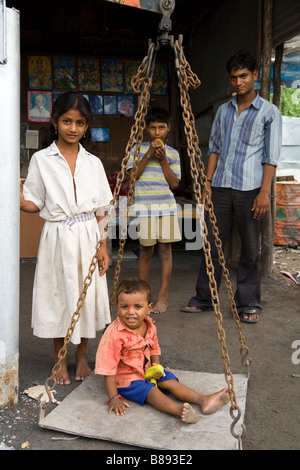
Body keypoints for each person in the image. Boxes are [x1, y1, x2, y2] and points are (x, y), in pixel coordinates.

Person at [182, 50, 282, 323]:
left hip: (251, 190)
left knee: (250, 248)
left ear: (255, 76)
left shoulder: (269, 112)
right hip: (221, 188)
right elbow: (213, 149)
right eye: (234, 77)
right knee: (211, 245)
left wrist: (264, 192)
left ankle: (248, 303)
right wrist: (207, 182)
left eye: (244, 76)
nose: (239, 82)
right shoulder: (224, 111)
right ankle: (205, 297)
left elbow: (270, 157)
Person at [20, 92, 113, 385]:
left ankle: (83, 356)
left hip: (88, 234)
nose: (73, 128)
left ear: (87, 126)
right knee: (58, 296)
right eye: (67, 121)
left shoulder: (93, 163)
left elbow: (102, 209)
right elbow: (34, 202)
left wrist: (104, 247)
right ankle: (60, 360)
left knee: (86, 297)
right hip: (57, 236)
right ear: (55, 121)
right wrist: (15, 198)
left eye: (80, 123)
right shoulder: (41, 160)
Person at [95, 278, 229, 423]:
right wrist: (114, 397)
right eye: (124, 306)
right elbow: (108, 369)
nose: (131, 312)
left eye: (138, 307)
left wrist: (156, 366)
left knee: (170, 381)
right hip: (127, 379)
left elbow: (154, 348)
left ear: (148, 307)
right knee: (151, 391)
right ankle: (180, 412)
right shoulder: (114, 335)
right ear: (117, 306)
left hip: (147, 370)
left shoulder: (149, 325)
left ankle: (203, 400)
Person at [127, 107, 181, 314]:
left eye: (161, 128)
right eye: (153, 128)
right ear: (146, 129)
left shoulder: (173, 154)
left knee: (165, 252)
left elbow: (174, 183)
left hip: (165, 208)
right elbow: (133, 177)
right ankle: (142, 296)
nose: (157, 132)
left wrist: (163, 159)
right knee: (145, 251)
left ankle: (163, 296)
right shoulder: (137, 150)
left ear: (168, 129)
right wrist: (149, 154)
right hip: (145, 208)